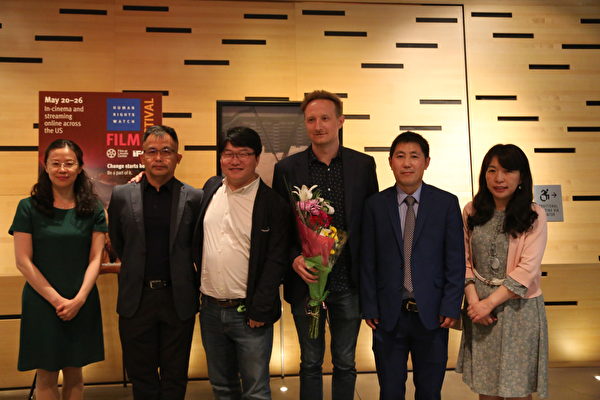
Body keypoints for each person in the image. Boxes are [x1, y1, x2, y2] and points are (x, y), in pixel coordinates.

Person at [272, 90, 379, 400]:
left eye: (325, 118)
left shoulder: (363, 165)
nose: (318, 126)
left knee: (345, 362)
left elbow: (370, 224)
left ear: (340, 121)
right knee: (309, 362)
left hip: (349, 282)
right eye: (311, 120)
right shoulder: (287, 169)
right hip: (307, 282)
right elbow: (280, 228)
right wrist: (294, 257)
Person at [361, 131, 465, 400]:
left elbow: (455, 261)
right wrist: (370, 306)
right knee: (390, 391)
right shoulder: (374, 205)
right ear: (390, 162)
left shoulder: (446, 203)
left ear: (426, 162)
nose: (407, 163)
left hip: (433, 315)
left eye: (414, 156)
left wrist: (451, 306)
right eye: (400, 156)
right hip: (388, 315)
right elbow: (367, 260)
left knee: (430, 391)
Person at [192, 126, 290, 400]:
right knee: (222, 388)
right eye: (228, 154)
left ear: (257, 158)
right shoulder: (211, 188)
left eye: (243, 154)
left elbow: (276, 262)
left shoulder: (273, 204)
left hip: (249, 314)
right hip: (210, 310)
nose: (234, 161)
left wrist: (259, 310)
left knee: (256, 391)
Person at [107, 125, 203, 400]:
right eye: (152, 151)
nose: (159, 157)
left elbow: (197, 247)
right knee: (142, 377)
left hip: (178, 298)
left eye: (166, 151)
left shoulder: (194, 197)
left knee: (175, 377)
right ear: (142, 157)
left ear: (178, 158)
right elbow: (119, 242)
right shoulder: (121, 196)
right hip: (136, 299)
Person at [9, 139, 106, 400]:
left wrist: (79, 300)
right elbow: (23, 261)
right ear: (46, 166)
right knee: (46, 375)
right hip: (42, 302)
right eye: (56, 163)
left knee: (75, 373)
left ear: (80, 167)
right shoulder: (28, 207)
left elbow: (96, 258)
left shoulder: (93, 208)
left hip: (81, 299)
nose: (62, 169)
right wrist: (57, 300)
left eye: (69, 163)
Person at [456, 144, 548, 400]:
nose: (499, 178)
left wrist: (488, 304)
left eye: (508, 171)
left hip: (519, 311)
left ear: (521, 177)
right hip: (480, 312)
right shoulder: (471, 211)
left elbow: (527, 269)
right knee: (487, 388)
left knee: (518, 389)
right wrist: (475, 303)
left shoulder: (534, 214)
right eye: (492, 170)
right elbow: (462, 260)